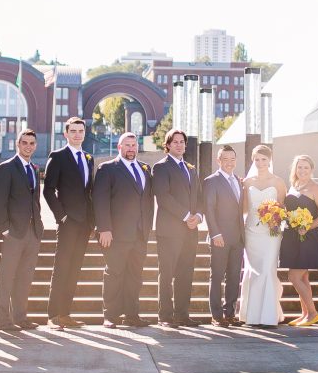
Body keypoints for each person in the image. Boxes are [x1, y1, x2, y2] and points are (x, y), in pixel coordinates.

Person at [93, 132, 154, 328]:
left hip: (140, 234)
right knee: (114, 274)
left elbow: (147, 201)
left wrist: (147, 228)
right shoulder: (108, 169)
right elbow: (100, 200)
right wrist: (104, 228)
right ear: (119, 147)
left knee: (135, 276)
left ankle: (132, 315)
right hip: (116, 234)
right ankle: (110, 316)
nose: (131, 148)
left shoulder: (145, 169)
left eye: (134, 145)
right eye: (127, 145)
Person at [43, 117, 95, 330]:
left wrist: (92, 222)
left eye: (80, 131)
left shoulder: (88, 158)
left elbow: (89, 192)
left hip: (84, 224)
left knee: (74, 269)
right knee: (62, 268)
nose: (77, 134)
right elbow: (48, 190)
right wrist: (61, 216)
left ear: (84, 133)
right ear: (66, 134)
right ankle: (53, 315)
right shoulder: (58, 156)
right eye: (73, 131)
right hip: (67, 222)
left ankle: (66, 314)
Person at [0, 129, 44, 332]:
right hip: (13, 232)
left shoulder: (34, 169)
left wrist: (38, 225)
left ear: (35, 146)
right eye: (25, 143)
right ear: (17, 144)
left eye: (32, 143)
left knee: (25, 277)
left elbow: (35, 200)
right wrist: (4, 228)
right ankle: (2, 320)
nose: (28, 146)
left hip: (32, 232)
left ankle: (20, 317)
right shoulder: (7, 168)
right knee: (6, 277)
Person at [152, 128, 203, 327]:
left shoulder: (191, 168)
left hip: (191, 231)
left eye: (182, 142)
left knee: (185, 273)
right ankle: (165, 316)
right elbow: (163, 197)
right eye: (175, 142)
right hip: (169, 231)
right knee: (166, 274)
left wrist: (198, 216)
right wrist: (186, 216)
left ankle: (182, 314)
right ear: (168, 145)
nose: (179, 145)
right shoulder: (161, 167)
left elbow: (199, 196)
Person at [239, 144, 286, 327]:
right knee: (253, 270)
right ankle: (251, 315)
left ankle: (268, 315)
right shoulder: (247, 182)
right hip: (251, 231)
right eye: (257, 159)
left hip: (271, 232)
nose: (260, 163)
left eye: (264, 159)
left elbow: (283, 207)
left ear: (270, 160)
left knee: (267, 269)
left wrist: (275, 216)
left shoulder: (278, 182)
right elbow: (243, 208)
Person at [279, 155, 318, 326]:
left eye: (306, 168)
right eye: (299, 167)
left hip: (308, 236)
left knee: (294, 276)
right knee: (303, 277)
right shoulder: (293, 186)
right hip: (292, 236)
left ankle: (313, 313)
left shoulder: (316, 188)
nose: (302, 171)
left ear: (311, 170)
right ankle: (305, 313)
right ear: (295, 169)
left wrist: (308, 226)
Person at [203, 145, 245, 327]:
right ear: (218, 161)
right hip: (219, 237)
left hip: (238, 237)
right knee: (217, 276)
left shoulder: (238, 180)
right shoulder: (211, 181)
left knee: (234, 277)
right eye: (225, 159)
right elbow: (209, 209)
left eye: (232, 159)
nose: (229, 163)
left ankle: (230, 313)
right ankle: (217, 316)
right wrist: (215, 233)